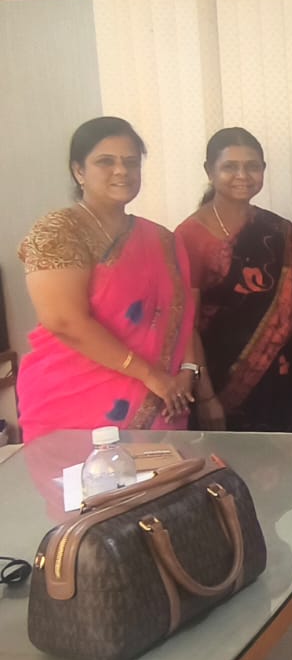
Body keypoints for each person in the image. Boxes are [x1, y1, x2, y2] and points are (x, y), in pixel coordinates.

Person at [17, 116, 210, 441]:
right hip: (72, 403)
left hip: (162, 400)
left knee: (160, 474)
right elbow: (64, 321)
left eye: (131, 162)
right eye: (105, 161)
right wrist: (150, 375)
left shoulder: (162, 239)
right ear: (79, 171)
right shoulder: (57, 231)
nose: (121, 171)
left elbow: (180, 317)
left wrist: (187, 371)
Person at [176, 127, 292, 433]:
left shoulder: (280, 230)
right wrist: (206, 396)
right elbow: (185, 322)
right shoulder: (189, 236)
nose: (242, 175)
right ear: (209, 171)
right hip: (216, 381)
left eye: (252, 166)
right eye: (230, 166)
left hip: (277, 379)